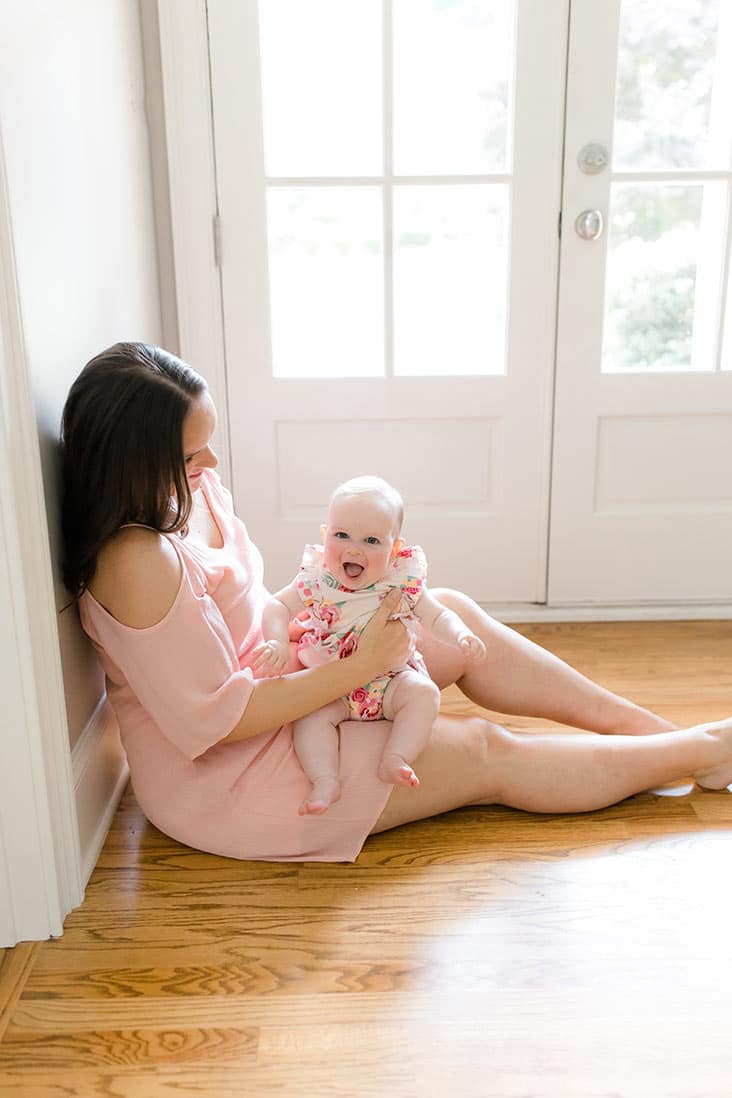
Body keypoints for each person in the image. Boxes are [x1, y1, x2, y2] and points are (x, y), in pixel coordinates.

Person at [61, 342, 732, 863]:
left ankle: (647, 732)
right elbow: (216, 722)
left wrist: (337, 613)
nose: (209, 459)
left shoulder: (188, 490)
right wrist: (359, 664)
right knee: (483, 751)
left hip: (289, 675)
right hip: (230, 776)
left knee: (451, 612)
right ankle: (700, 750)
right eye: (189, 450)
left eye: (207, 439)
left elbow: (254, 609)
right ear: (134, 461)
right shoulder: (134, 561)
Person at [255, 476, 486, 815]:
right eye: (341, 535)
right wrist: (276, 641)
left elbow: (436, 616)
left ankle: (396, 757)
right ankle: (324, 780)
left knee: (424, 695)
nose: (353, 549)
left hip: (390, 682)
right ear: (325, 534)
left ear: (394, 549)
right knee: (308, 720)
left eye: (372, 540)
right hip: (330, 686)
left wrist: (461, 634)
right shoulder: (317, 579)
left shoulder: (401, 580)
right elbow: (277, 606)